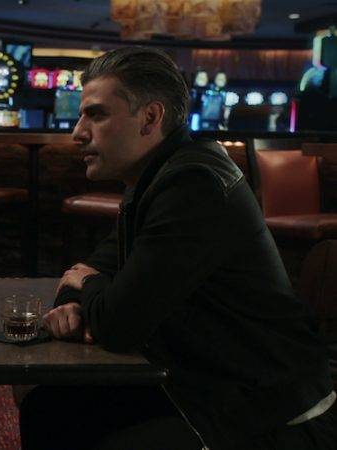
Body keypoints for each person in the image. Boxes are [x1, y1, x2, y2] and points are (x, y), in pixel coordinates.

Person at [19, 47, 336, 450]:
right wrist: (75, 296)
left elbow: (118, 325)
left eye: (96, 115)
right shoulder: (155, 179)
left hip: (272, 415)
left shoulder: (193, 185)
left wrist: (90, 286)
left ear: (151, 118)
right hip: (206, 384)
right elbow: (93, 267)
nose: (78, 132)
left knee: (67, 418)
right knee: (48, 406)